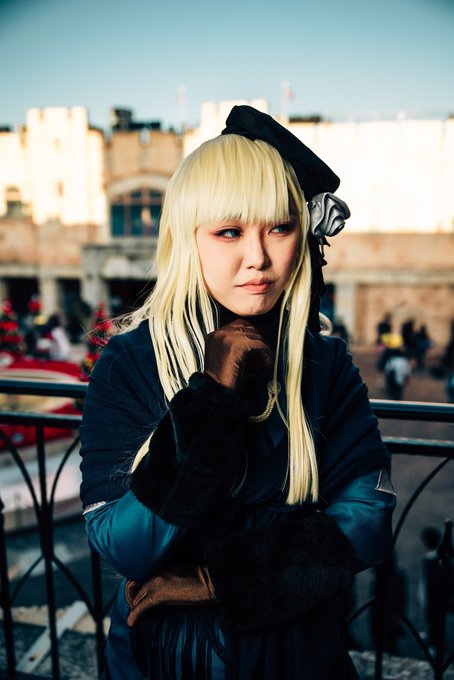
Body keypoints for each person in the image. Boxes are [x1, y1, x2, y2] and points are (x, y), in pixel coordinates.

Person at [79, 105, 396, 680]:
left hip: (302, 660)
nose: (258, 258)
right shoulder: (130, 362)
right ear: (188, 238)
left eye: (279, 227)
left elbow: (368, 523)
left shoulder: (326, 364)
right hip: (157, 663)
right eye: (229, 232)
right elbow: (123, 546)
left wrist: (216, 581)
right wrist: (212, 401)